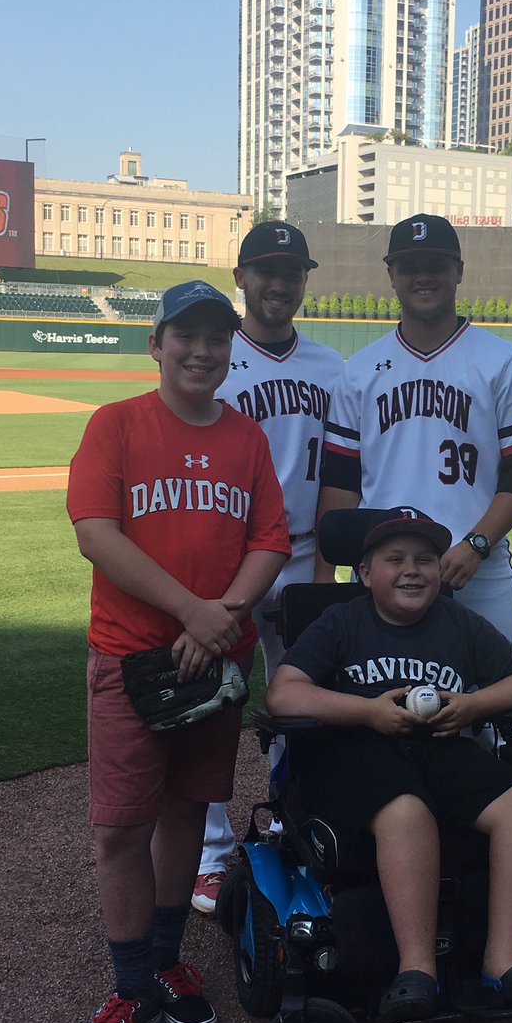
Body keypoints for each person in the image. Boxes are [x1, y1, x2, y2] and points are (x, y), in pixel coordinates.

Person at [64, 280, 291, 1023]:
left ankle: (165, 962)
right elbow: (97, 534)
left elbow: (271, 538)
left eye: (216, 338)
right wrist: (198, 613)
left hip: (215, 662)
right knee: (121, 827)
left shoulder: (247, 438)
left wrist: (220, 615)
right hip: (135, 657)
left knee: (189, 811)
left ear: (230, 351)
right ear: (155, 344)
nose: (201, 350)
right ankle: (131, 987)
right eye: (185, 335)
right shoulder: (116, 424)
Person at [267, 506, 512, 1021]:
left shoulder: (457, 621)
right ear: (364, 573)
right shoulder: (341, 621)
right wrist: (368, 712)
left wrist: (472, 705)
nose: (413, 570)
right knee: (406, 811)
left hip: (440, 747)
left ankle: (504, 962)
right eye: (395, 559)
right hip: (359, 752)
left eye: (426, 559)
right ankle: (417, 971)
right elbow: (283, 694)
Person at [314, 213, 512, 648]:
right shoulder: (361, 370)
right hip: (383, 570)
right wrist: (338, 567)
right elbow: (341, 480)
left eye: (436, 265)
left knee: (487, 704)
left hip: (474, 568)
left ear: (458, 270)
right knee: (384, 703)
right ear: (391, 275)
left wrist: (477, 543)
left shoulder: (500, 361)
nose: (423, 276)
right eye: (410, 266)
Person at [191, 221, 343, 915]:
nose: (279, 284)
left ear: (304, 281)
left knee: (302, 702)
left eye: (291, 272)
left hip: (307, 553)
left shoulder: (331, 367)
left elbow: (347, 474)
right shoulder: (217, 362)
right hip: (227, 561)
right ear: (242, 278)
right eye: (265, 271)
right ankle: (211, 853)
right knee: (215, 703)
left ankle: (290, 822)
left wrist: (326, 568)